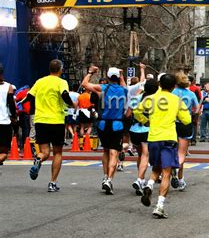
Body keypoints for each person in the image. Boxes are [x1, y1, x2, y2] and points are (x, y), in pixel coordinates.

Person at [135, 74, 191, 219]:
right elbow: (187, 120)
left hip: (153, 138)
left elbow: (137, 111)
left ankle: (149, 185)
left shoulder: (151, 98)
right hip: (169, 138)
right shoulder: (177, 100)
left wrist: (146, 121)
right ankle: (159, 206)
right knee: (166, 172)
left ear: (159, 84)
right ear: (173, 87)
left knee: (156, 167)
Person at [26, 60, 77, 192]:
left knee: (44, 152)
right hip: (56, 120)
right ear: (60, 69)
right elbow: (65, 95)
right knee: (58, 152)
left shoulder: (40, 81)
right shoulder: (61, 82)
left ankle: (38, 160)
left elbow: (29, 97)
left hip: (40, 120)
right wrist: (72, 104)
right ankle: (52, 183)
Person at [82, 66, 127, 195]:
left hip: (102, 124)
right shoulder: (124, 90)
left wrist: (90, 72)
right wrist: (122, 76)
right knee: (114, 153)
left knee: (106, 151)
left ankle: (105, 176)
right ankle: (109, 179)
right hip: (117, 124)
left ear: (107, 77)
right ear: (118, 78)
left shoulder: (103, 88)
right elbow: (124, 86)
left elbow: (84, 84)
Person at [127, 78, 159, 196]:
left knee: (140, 155)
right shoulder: (157, 100)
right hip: (147, 129)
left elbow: (128, 114)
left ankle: (141, 179)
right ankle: (140, 179)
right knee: (146, 155)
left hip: (134, 130)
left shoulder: (136, 98)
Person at [172, 72, 199, 191]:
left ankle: (174, 173)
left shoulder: (172, 93)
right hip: (186, 123)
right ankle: (180, 175)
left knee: (172, 150)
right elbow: (197, 108)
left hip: (173, 123)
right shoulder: (191, 94)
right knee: (182, 152)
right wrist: (192, 113)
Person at [0, 63, 16, 165]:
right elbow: (11, 104)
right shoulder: (8, 87)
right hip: (4, 122)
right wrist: (14, 117)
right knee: (4, 152)